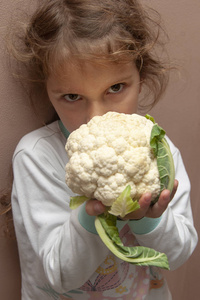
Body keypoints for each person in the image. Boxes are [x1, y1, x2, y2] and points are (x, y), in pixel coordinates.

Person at [8, 0, 197, 299]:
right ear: (48, 91)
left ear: (141, 79)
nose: (95, 117)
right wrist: (90, 215)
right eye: (73, 96)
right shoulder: (36, 157)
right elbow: (58, 275)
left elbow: (177, 256)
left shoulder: (160, 150)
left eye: (116, 88)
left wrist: (148, 218)